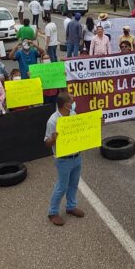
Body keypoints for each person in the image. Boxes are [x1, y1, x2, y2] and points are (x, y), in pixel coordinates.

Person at [43, 92, 85, 226]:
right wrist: (53, 139)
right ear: (66, 104)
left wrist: (97, 125)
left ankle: (71, 207)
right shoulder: (53, 121)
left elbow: (81, 131)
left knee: (74, 183)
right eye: (72, 101)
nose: (74, 103)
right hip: (63, 159)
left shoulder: (73, 114)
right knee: (62, 186)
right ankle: (53, 212)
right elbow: (46, 143)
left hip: (77, 156)